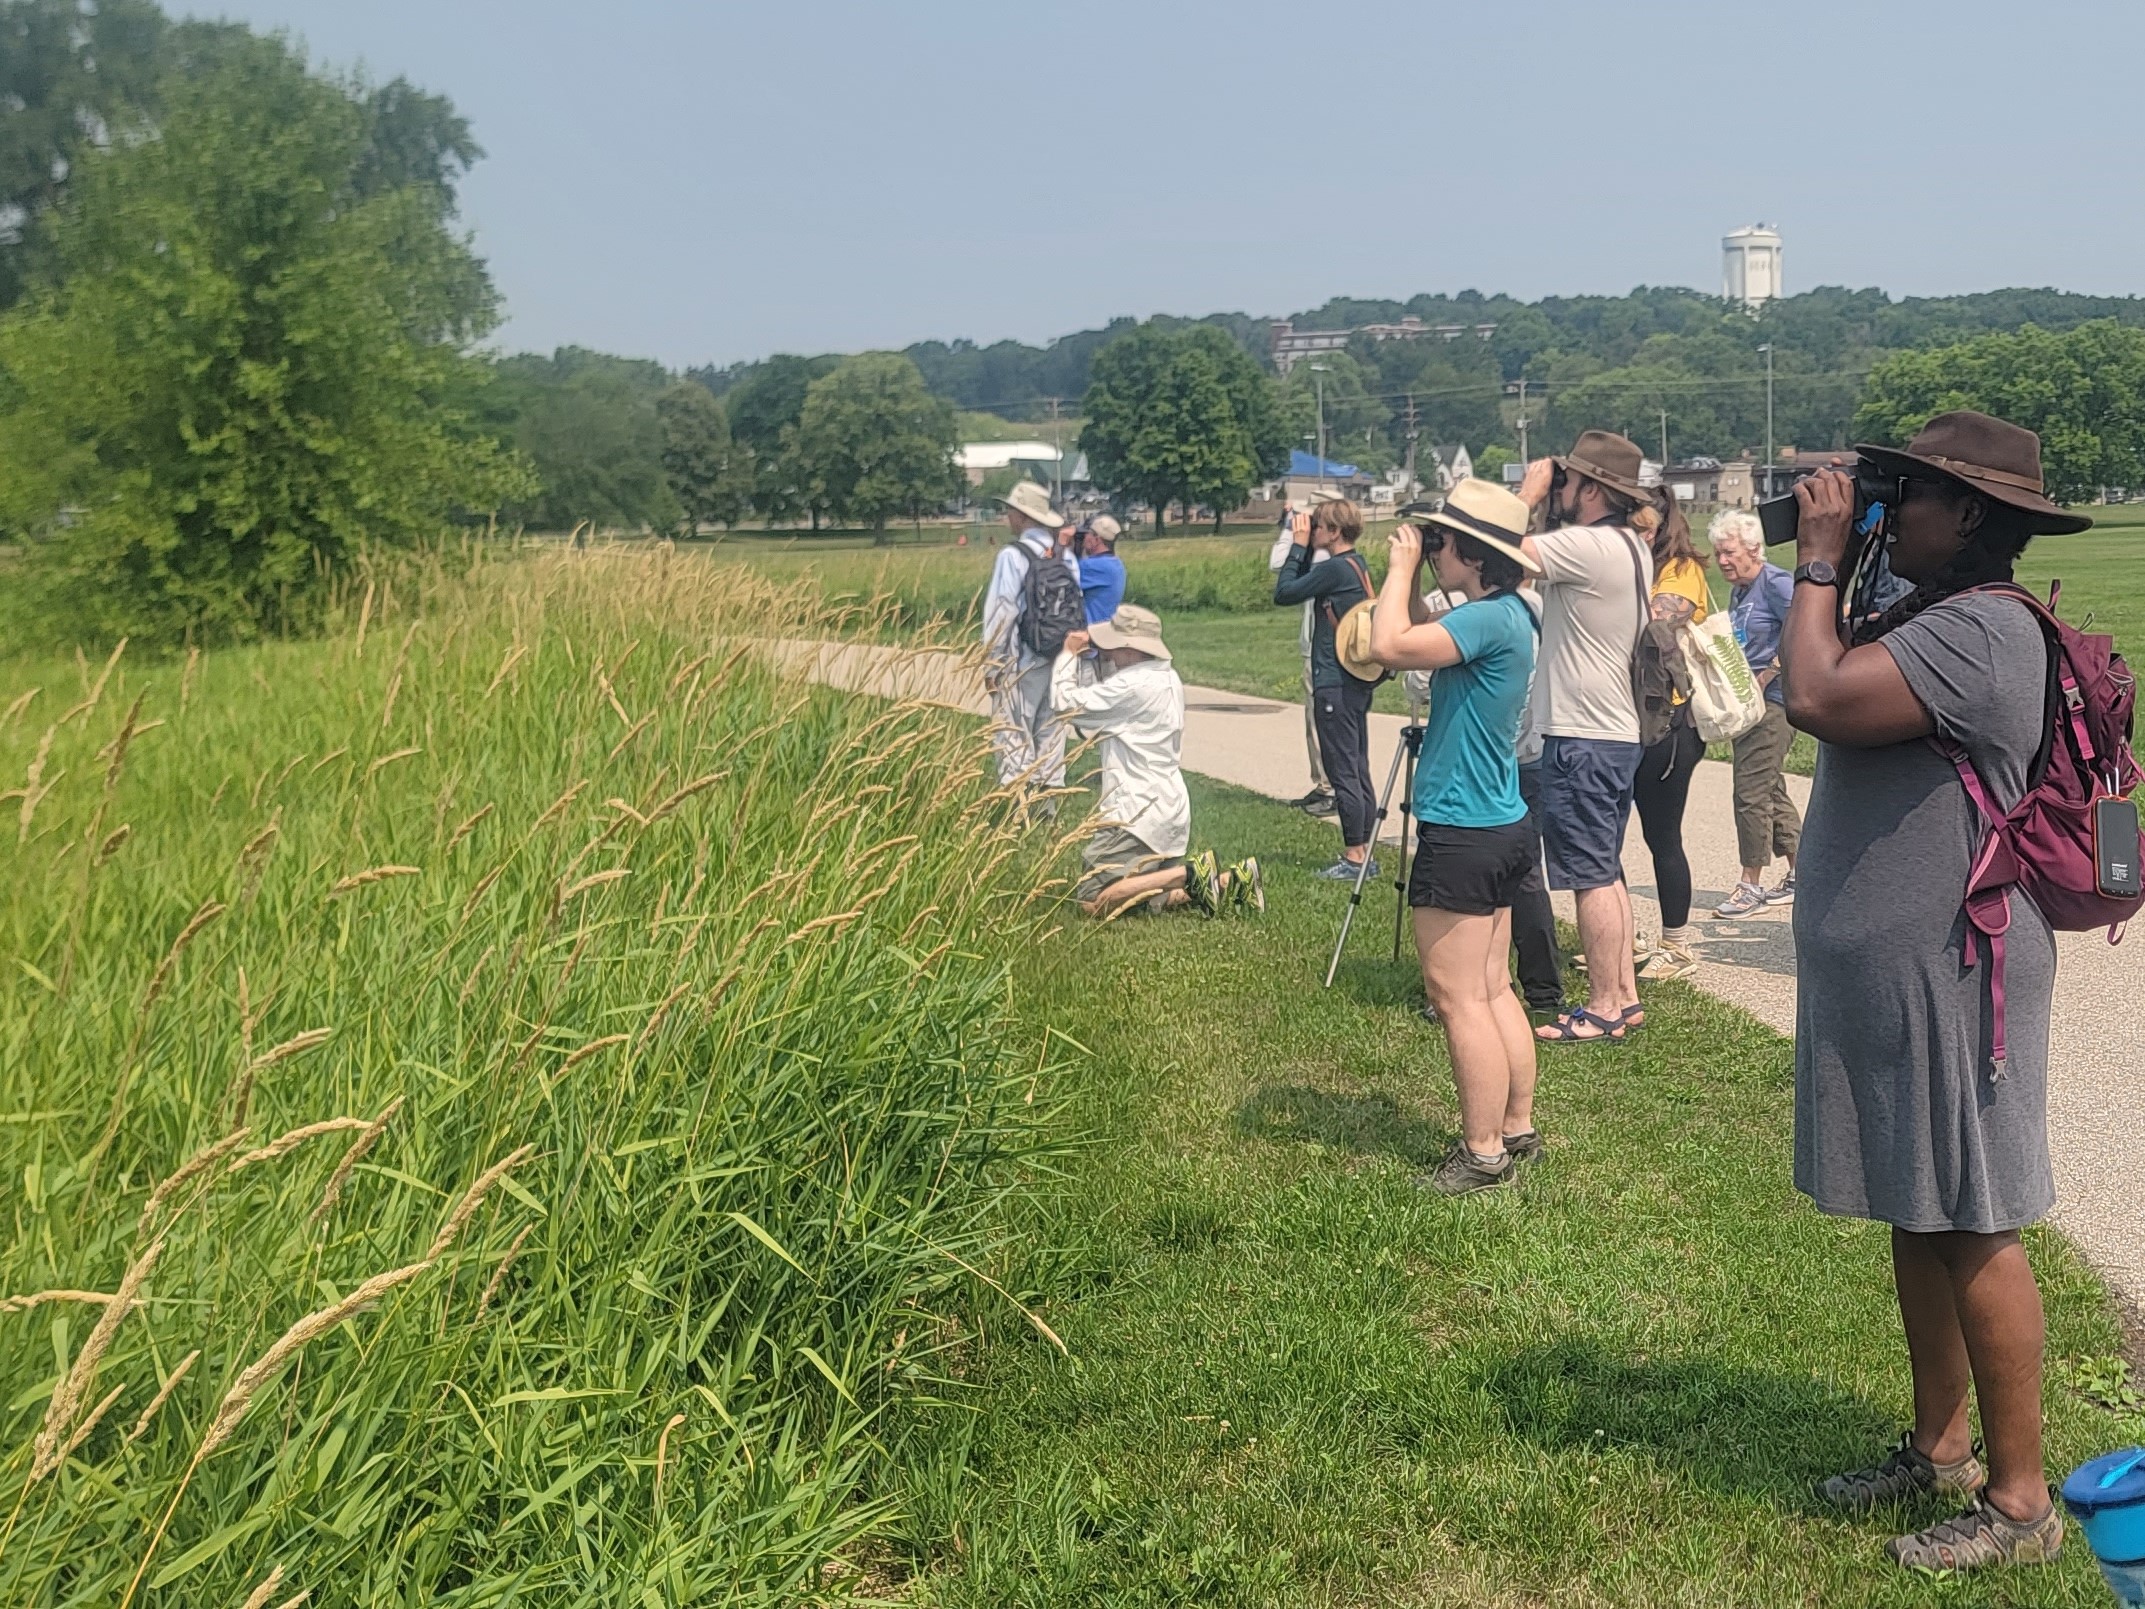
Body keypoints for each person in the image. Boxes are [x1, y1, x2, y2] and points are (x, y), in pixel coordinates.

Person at [1784, 411, 2088, 1573]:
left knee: (1973, 1217)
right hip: (1909, 971)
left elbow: (1812, 691)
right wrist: (1851, 549)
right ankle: (1942, 1444)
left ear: (1970, 514)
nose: (1881, 506)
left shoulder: (1985, 631)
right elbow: (1819, 667)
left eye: (1904, 491)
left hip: (1963, 973)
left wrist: (1819, 554)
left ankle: (2020, 1506)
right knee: (1923, 1206)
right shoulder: (1931, 615)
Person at [1371, 480, 1545, 1193]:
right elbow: (1417, 640)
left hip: (1462, 828)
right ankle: (1515, 1126)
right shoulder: (1507, 613)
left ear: (1470, 552)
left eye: (1441, 540)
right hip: (1499, 822)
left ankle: (1480, 1155)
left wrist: (1397, 566)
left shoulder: (1485, 621)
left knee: (1456, 998)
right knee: (1492, 986)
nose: (1433, 548)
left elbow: (1387, 643)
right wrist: (1416, 578)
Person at [1513, 432, 1655, 1044]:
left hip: (1583, 735)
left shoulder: (1588, 543)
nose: (1560, 490)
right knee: (1607, 868)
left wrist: (1528, 492)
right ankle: (1622, 995)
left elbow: (1497, 551)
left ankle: (1600, 1007)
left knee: (1588, 876)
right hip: (1614, 731)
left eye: (1568, 481)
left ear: (1592, 489)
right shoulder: (1628, 545)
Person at [1051, 604, 1261, 918]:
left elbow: (1064, 705)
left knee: (1092, 901)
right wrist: (1093, 662)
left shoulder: (1131, 686)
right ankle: (1229, 882)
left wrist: (1068, 655)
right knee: (1147, 901)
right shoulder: (1165, 678)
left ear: (1129, 647)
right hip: (1169, 811)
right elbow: (1090, 722)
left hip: (1134, 815)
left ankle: (1190, 875)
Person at [1272, 497, 1379, 879]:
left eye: (1318, 526)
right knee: (1356, 764)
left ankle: (1354, 856)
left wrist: (1298, 545)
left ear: (1334, 532)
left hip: (1334, 681)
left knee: (1341, 768)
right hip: (1354, 681)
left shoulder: (1335, 568)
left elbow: (1284, 592)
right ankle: (1365, 851)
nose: (1312, 529)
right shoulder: (1357, 565)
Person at [1630, 491, 1710, 980]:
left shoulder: (1680, 569)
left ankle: (1677, 945)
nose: (1636, 534)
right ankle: (1619, 938)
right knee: (1624, 835)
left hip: (1671, 724)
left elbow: (1660, 617)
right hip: (1634, 720)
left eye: (1643, 526)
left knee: (1663, 836)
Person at [1709, 509, 1801, 916]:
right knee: (1769, 787)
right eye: (1718, 554)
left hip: (1775, 702)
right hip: (1747, 704)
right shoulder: (1741, 591)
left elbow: (1805, 629)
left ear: (1751, 548)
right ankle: (1803, 874)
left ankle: (1751, 885)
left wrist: (1769, 674)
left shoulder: (1777, 584)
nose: (1723, 561)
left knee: (1749, 794)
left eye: (1729, 552)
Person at [980, 481, 1078, 801]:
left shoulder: (1012, 555)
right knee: (1051, 731)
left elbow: (1002, 612)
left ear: (1022, 516)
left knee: (1013, 732)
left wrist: (993, 663)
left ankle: (1019, 812)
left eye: (1010, 510)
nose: (1007, 515)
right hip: (1061, 655)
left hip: (1022, 658)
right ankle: (1048, 808)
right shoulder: (1065, 555)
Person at [1270, 500, 1336, 817]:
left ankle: (1330, 789)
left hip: (1321, 654)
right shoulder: (1323, 553)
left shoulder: (1322, 556)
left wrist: (1290, 533)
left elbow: (1278, 566)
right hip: (1318, 650)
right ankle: (1324, 783)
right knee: (1315, 722)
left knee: (1320, 723)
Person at [1076, 515, 1127, 623]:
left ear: (1097, 539)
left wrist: (1062, 545)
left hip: (1092, 631)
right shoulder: (1116, 563)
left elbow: (1060, 574)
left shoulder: (1096, 566)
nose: (1084, 538)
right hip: (1106, 628)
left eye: (1087, 534)